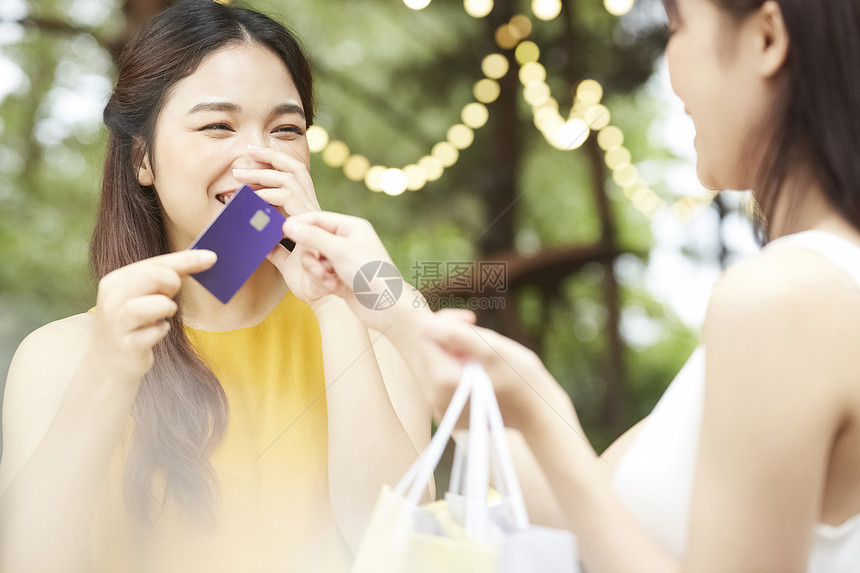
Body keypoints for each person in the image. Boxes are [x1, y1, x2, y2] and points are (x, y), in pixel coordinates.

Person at [278, 0, 860, 571]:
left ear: (766, 38)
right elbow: (582, 511)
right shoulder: (817, 289)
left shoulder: (783, 298)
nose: (669, 67)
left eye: (677, 26)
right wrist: (385, 303)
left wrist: (540, 417)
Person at [0, 2, 431, 572]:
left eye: (286, 129)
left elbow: (406, 553)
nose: (258, 158)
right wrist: (106, 375)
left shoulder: (381, 317)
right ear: (142, 159)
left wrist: (336, 303)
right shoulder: (60, 355)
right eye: (217, 126)